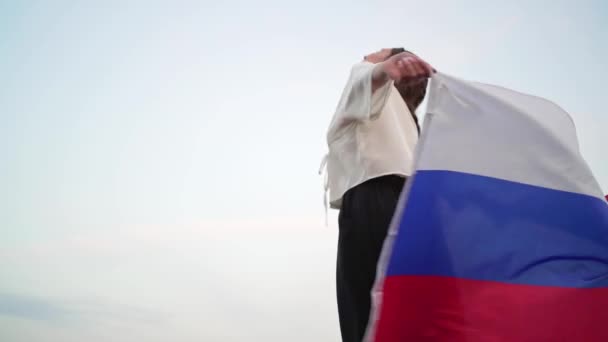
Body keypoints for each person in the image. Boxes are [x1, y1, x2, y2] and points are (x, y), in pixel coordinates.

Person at [320, 48, 433, 342]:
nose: (367, 53)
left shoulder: (367, 80)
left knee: (365, 314)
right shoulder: (410, 124)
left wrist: (381, 67)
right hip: (412, 211)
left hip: (374, 197)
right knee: (408, 314)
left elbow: (365, 76)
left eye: (378, 51)